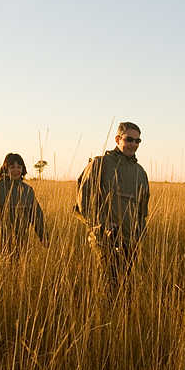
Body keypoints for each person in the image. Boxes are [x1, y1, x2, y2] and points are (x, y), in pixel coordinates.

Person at [74, 121, 149, 294]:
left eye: (138, 141)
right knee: (109, 286)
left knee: (127, 288)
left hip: (130, 241)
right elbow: (83, 200)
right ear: (117, 139)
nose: (133, 144)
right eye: (129, 139)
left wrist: (139, 235)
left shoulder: (140, 172)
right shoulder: (100, 164)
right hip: (105, 240)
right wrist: (102, 227)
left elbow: (142, 210)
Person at [0, 153, 46, 253]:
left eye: (19, 167)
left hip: (23, 245)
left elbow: (37, 217)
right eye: (12, 167)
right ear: (6, 169)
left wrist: (44, 237)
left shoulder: (27, 190)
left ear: (23, 169)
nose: (16, 170)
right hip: (0, 245)